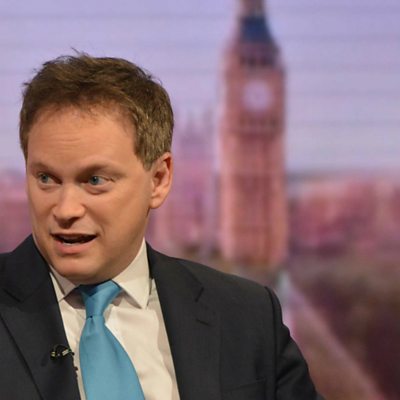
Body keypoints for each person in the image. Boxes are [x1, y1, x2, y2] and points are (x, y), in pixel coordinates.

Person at [0, 54, 323, 400]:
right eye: (46, 178)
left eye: (94, 180)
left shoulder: (246, 316)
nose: (65, 209)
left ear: (158, 179)